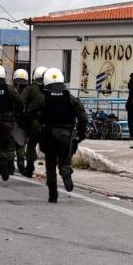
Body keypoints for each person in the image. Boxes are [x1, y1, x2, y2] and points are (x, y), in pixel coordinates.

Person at [39, 68, 87, 203]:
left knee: (50, 165)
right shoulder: (70, 98)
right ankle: (65, 171)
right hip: (66, 135)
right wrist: (80, 135)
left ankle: (52, 195)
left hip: (48, 135)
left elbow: (33, 113)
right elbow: (83, 117)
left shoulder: (44, 99)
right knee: (64, 159)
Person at [20, 66, 47, 177]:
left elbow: (21, 102)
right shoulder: (53, 90)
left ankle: (30, 167)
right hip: (50, 123)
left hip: (35, 122)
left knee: (31, 144)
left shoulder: (30, 89)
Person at [10, 69, 30, 175]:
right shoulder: (29, 91)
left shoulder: (12, 91)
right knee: (21, 144)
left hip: (14, 122)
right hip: (23, 123)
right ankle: (21, 164)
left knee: (12, 144)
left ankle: (11, 165)